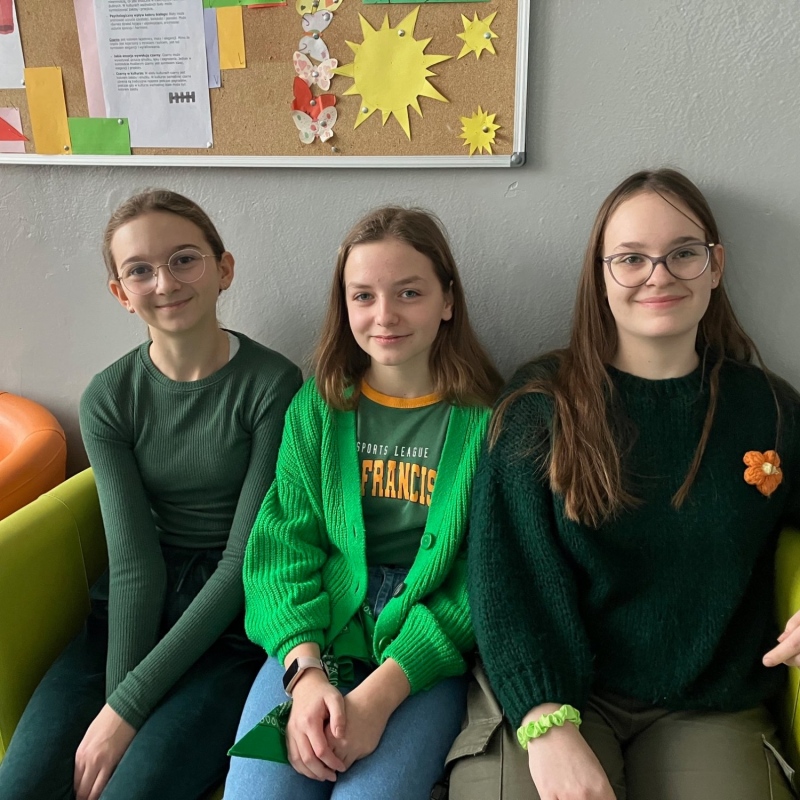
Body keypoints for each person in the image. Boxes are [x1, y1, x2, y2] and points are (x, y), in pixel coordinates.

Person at [452, 169, 800, 800]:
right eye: (632, 258)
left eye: (683, 253)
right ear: (600, 277)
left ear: (715, 266)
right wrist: (546, 722)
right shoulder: (540, 406)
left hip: (708, 701)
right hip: (555, 688)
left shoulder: (767, 409)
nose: (658, 275)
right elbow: (506, 578)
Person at [0, 190, 302, 800]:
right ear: (121, 292)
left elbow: (242, 561)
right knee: (22, 787)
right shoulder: (109, 397)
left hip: (229, 625)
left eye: (184, 259)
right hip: (125, 617)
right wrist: (119, 705)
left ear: (224, 268)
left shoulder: (274, 384)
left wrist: (128, 710)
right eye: (140, 270)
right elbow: (135, 564)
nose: (165, 282)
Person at [225, 206, 503, 800]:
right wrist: (304, 675)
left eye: (409, 292)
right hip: (319, 631)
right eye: (364, 296)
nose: (385, 315)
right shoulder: (318, 410)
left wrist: (380, 696)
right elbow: (282, 548)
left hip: (422, 650)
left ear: (448, 301)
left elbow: (480, 578)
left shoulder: (489, 424)